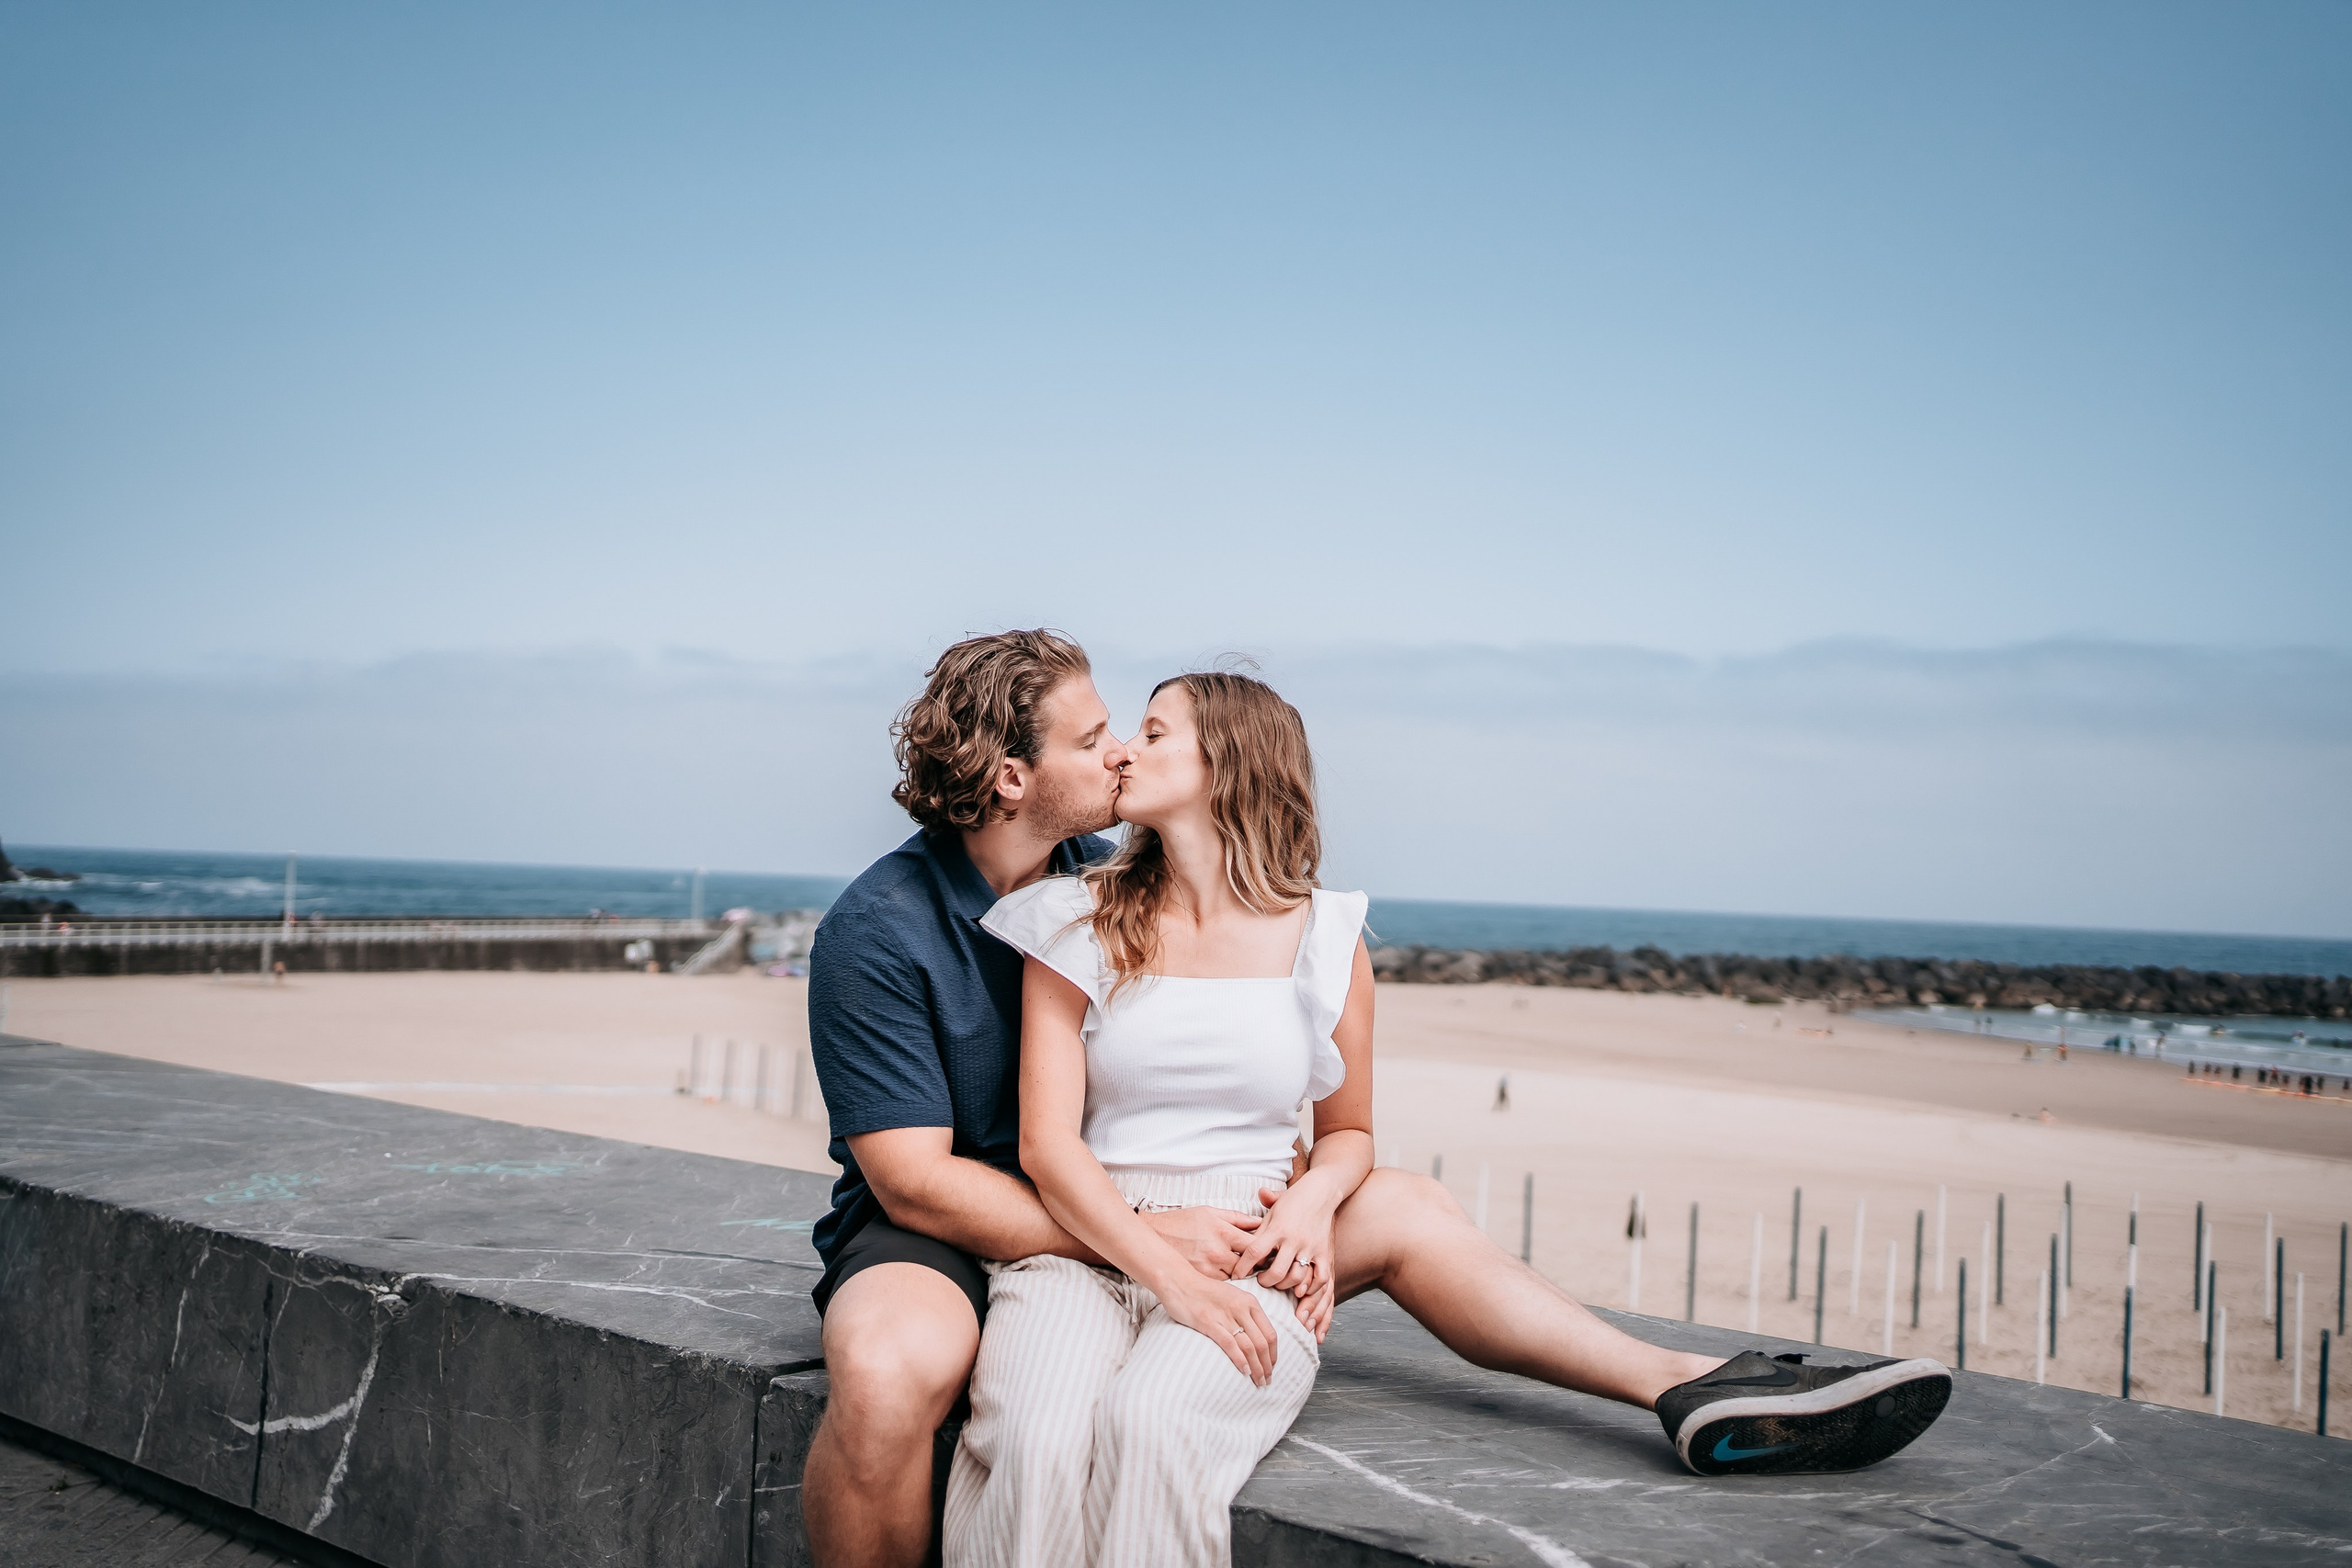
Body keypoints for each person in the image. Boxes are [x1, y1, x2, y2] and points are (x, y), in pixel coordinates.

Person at [801, 631, 1951, 1568]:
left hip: (1190, 1216)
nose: (1115, 757)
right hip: (964, 1222)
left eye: (1133, 734)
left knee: (1395, 1206)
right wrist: (1152, 1244)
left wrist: (1296, 1206)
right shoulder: (902, 928)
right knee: (926, 1381)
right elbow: (921, 1178)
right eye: (1098, 737)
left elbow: (1332, 1119)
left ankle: (1689, 1386)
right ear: (1012, 779)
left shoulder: (1105, 876)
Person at [943, 671, 1369, 1566]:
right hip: (1085, 1233)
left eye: (1153, 732)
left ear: (1229, 763)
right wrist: (1164, 1274)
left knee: (1153, 1422)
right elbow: (1046, 1148)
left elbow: (1349, 1132)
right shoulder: (1072, 918)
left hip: (1250, 1238)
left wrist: (1309, 1204)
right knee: (1036, 1437)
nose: (1122, 752)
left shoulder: (1329, 937)